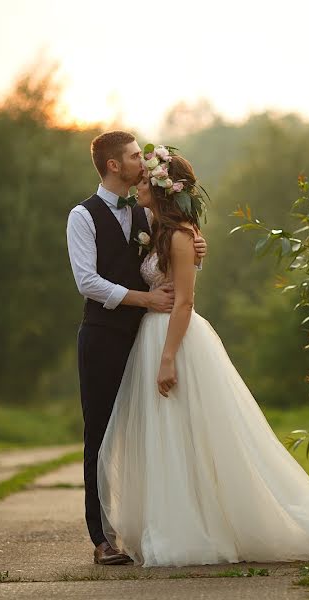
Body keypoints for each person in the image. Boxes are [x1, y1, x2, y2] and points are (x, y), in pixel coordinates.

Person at [97, 147, 309, 567]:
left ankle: (201, 525)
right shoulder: (159, 229)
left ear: (167, 191)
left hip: (175, 340)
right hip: (150, 336)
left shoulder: (181, 237)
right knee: (168, 436)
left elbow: (184, 303)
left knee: (191, 431)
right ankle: (171, 518)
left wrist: (168, 357)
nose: (139, 188)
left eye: (148, 182)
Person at [66, 131, 208, 565]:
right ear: (113, 165)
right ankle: (101, 538)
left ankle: (155, 525)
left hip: (149, 337)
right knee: (101, 433)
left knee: (154, 434)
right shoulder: (83, 216)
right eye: (132, 156)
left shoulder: (147, 213)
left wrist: (200, 248)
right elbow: (86, 281)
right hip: (105, 337)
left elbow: (174, 260)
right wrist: (142, 299)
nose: (140, 162)